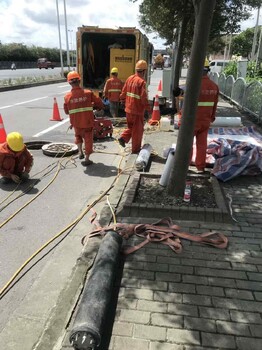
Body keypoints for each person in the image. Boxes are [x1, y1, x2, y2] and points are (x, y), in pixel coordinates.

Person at [64, 71, 104, 166]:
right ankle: (86, 159)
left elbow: (66, 111)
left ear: (69, 83)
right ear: (79, 81)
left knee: (78, 136)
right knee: (88, 139)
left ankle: (80, 152)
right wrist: (97, 107)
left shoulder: (67, 97)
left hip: (76, 122)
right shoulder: (88, 93)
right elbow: (99, 102)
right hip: (87, 122)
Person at [118, 60, 151, 154]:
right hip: (137, 111)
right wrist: (149, 110)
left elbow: (123, 93)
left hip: (128, 109)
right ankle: (135, 150)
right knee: (137, 131)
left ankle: (123, 138)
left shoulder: (130, 78)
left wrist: (123, 101)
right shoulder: (141, 82)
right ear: (144, 71)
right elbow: (143, 98)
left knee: (131, 127)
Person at [193, 60, 219, 173]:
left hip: (192, 121)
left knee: (187, 144)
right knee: (202, 144)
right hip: (205, 120)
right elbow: (215, 105)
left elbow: (186, 105)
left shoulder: (193, 85)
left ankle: (183, 167)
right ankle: (200, 167)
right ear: (208, 70)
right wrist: (212, 117)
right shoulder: (214, 86)